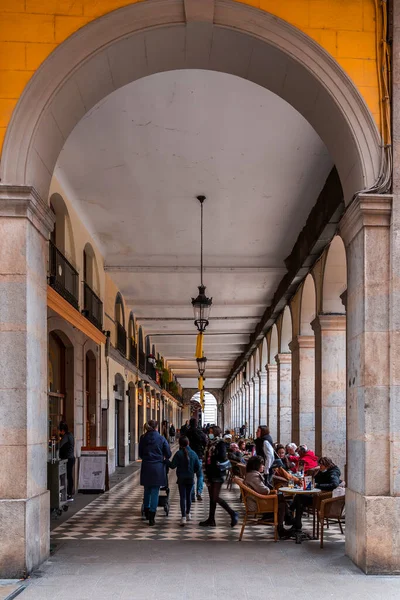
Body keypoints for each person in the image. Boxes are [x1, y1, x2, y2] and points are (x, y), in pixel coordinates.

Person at [199, 425, 238, 527]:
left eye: (211, 432)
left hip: (217, 473)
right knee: (212, 497)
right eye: (209, 432)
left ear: (215, 433)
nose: (209, 433)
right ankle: (211, 519)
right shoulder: (209, 443)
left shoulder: (220, 443)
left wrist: (213, 455)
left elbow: (222, 456)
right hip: (210, 473)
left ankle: (232, 513)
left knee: (215, 497)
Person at [244, 456, 291, 539]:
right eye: (262, 464)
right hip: (257, 503)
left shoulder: (251, 474)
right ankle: (282, 526)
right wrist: (269, 490)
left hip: (257, 500)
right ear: (256, 465)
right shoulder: (254, 476)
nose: (263, 466)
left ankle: (288, 518)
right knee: (282, 504)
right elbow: (264, 490)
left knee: (280, 496)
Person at [289, 457, 341, 532]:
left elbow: (334, 484)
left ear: (326, 465)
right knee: (299, 498)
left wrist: (317, 485)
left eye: (321, 465)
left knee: (299, 498)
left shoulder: (333, 472)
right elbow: (315, 479)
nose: (320, 467)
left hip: (323, 499)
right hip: (317, 496)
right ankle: (295, 521)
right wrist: (317, 473)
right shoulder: (323, 471)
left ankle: (291, 515)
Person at [139, 419, 171, 526]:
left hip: (147, 466)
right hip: (158, 467)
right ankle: (152, 516)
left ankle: (147, 511)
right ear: (157, 428)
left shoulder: (143, 438)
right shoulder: (161, 439)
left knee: (147, 489)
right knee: (155, 491)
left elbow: (140, 453)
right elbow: (168, 454)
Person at [168, 436, 200, 526]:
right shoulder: (193, 453)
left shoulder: (178, 454)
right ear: (188, 443)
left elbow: (172, 466)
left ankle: (183, 518)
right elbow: (197, 467)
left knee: (183, 497)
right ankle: (188, 513)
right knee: (189, 496)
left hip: (181, 478)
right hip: (190, 478)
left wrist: (165, 461)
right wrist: (192, 472)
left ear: (180, 444)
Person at [186, 417, 207, 501]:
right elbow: (205, 443)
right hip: (199, 456)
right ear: (196, 424)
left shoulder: (187, 433)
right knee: (200, 475)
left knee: (190, 476)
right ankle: (199, 492)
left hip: (188, 456)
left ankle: (192, 495)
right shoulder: (200, 433)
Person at [58, 421, 75, 499]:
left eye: (60, 430)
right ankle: (70, 492)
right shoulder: (71, 435)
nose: (59, 432)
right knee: (69, 475)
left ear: (62, 430)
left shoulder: (66, 436)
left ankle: (68, 493)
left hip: (68, 458)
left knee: (67, 475)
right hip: (71, 458)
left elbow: (59, 445)